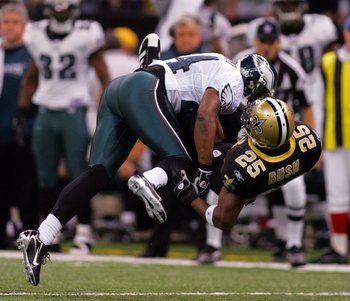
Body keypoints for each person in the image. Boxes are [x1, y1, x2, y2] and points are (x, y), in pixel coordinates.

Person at [17, 32, 277, 286]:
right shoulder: (233, 80)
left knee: (97, 174)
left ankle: (41, 236)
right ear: (255, 81)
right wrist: (206, 170)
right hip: (145, 90)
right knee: (183, 159)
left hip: (119, 90)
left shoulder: (218, 68)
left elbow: (205, 116)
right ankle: (148, 180)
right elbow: (205, 116)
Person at [18, 0, 110, 254]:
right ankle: (50, 235)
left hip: (73, 110)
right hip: (46, 111)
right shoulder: (35, 34)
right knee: (45, 177)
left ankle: (84, 232)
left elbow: (104, 77)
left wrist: (105, 110)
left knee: (79, 173)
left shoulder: (86, 33)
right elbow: (32, 75)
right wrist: (22, 109)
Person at [174, 97, 321, 247]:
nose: (249, 115)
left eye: (254, 120)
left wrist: (189, 196)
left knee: (195, 122)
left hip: (246, 177)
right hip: (267, 170)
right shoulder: (310, 142)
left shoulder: (241, 166)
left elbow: (222, 220)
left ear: (261, 139)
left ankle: (212, 246)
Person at [234, 19, 315, 267]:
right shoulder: (241, 64)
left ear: (279, 42)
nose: (267, 46)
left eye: (271, 42)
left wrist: (311, 137)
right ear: (255, 41)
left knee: (293, 185)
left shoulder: (291, 69)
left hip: (284, 139)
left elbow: (308, 105)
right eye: (263, 41)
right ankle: (211, 244)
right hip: (248, 138)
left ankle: (292, 244)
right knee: (222, 181)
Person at [309, 16, 350, 264]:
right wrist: (318, 143)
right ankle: (338, 247)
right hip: (335, 139)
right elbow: (318, 104)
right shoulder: (328, 62)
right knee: (337, 194)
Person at [0, 3, 37, 249]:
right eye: (6, 21)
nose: (10, 26)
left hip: (25, 131)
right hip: (0, 131)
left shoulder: (32, 53)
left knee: (27, 188)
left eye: (15, 21)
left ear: (24, 26)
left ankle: (31, 235)